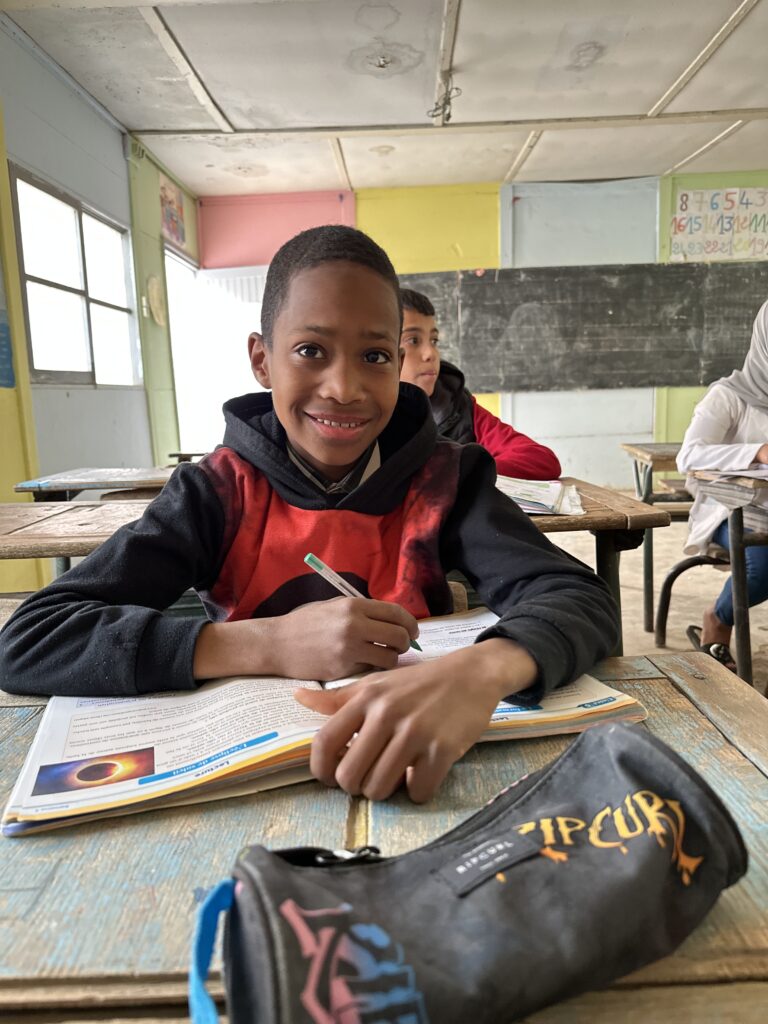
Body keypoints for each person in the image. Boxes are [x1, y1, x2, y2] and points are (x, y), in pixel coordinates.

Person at [0, 226, 618, 802]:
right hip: (245, 789)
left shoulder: (445, 481)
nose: (344, 387)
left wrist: (482, 670)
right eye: (310, 350)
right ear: (262, 360)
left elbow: (580, 598)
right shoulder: (215, 492)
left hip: (422, 768)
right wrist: (266, 643)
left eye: (375, 356)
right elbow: (30, 642)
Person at [677, 299, 768, 672]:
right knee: (763, 565)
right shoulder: (730, 395)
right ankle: (718, 618)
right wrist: (758, 452)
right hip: (734, 509)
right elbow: (690, 456)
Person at [399, 288, 561, 479]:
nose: (431, 353)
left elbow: (540, 459)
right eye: (413, 340)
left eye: (434, 340)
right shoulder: (365, 415)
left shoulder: (456, 405)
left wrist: (461, 472)